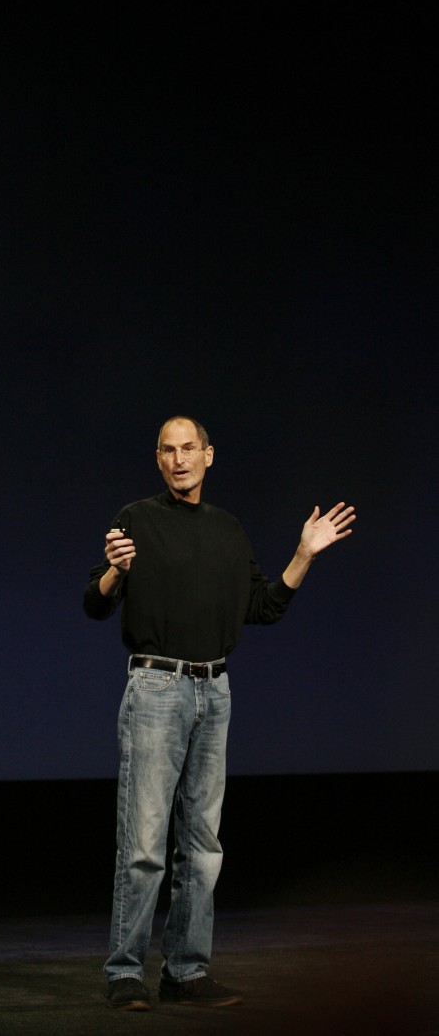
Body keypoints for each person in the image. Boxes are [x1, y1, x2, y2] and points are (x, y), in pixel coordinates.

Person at [83, 415, 355, 1012]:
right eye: (167, 450)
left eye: (189, 449)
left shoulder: (229, 530)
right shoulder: (137, 518)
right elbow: (93, 604)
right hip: (156, 688)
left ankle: (186, 971)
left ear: (209, 456)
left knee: (203, 846)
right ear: (158, 459)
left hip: (215, 690)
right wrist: (113, 572)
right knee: (144, 844)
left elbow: (263, 605)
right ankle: (125, 973)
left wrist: (303, 554)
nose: (179, 460)